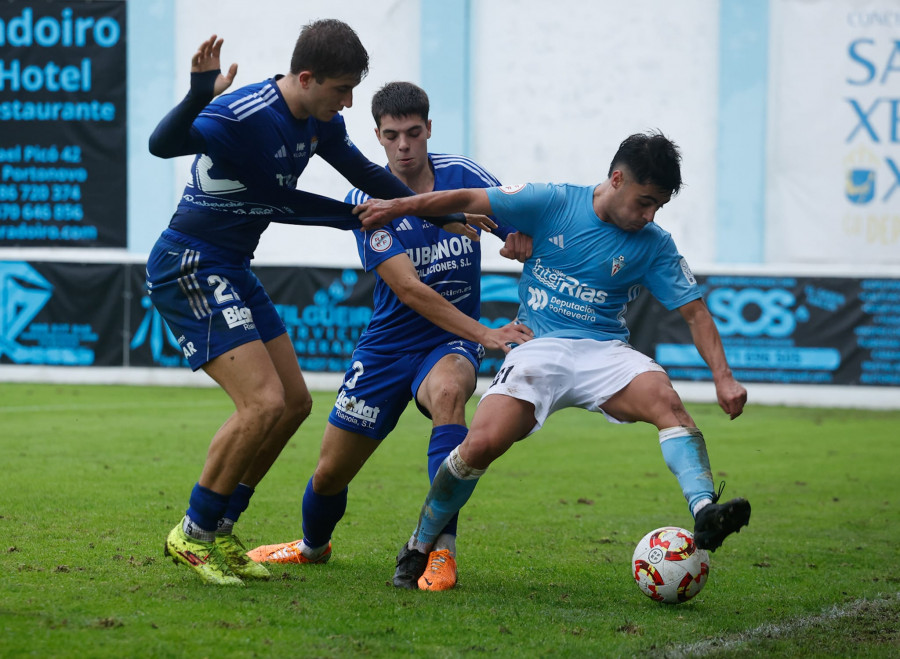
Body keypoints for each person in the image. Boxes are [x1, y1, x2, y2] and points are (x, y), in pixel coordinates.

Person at [146, 21, 477, 586]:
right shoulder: (243, 115)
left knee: (293, 402)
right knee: (261, 403)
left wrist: (436, 211)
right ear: (306, 78)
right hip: (190, 264)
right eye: (341, 89)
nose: (348, 102)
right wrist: (201, 93)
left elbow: (367, 177)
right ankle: (194, 533)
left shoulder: (320, 121)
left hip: (232, 266)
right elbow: (163, 145)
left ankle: (222, 527)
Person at [356, 131, 752, 590]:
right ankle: (419, 545)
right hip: (539, 347)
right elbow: (468, 196)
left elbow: (695, 312)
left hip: (603, 351)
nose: (649, 215)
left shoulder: (654, 243)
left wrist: (724, 380)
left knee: (668, 403)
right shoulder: (552, 201)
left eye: (658, 207)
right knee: (479, 445)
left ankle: (705, 512)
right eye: (645, 202)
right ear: (617, 179)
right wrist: (395, 206)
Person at [246, 81, 534, 591]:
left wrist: (517, 240)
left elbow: (519, 224)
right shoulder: (368, 198)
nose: (404, 145)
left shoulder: (464, 176)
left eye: (413, 133)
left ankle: (440, 552)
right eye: (392, 135)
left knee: (449, 392)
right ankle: (313, 547)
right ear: (377, 137)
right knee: (330, 474)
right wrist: (487, 332)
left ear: (428, 130)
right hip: (386, 347)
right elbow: (407, 289)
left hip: (448, 344)